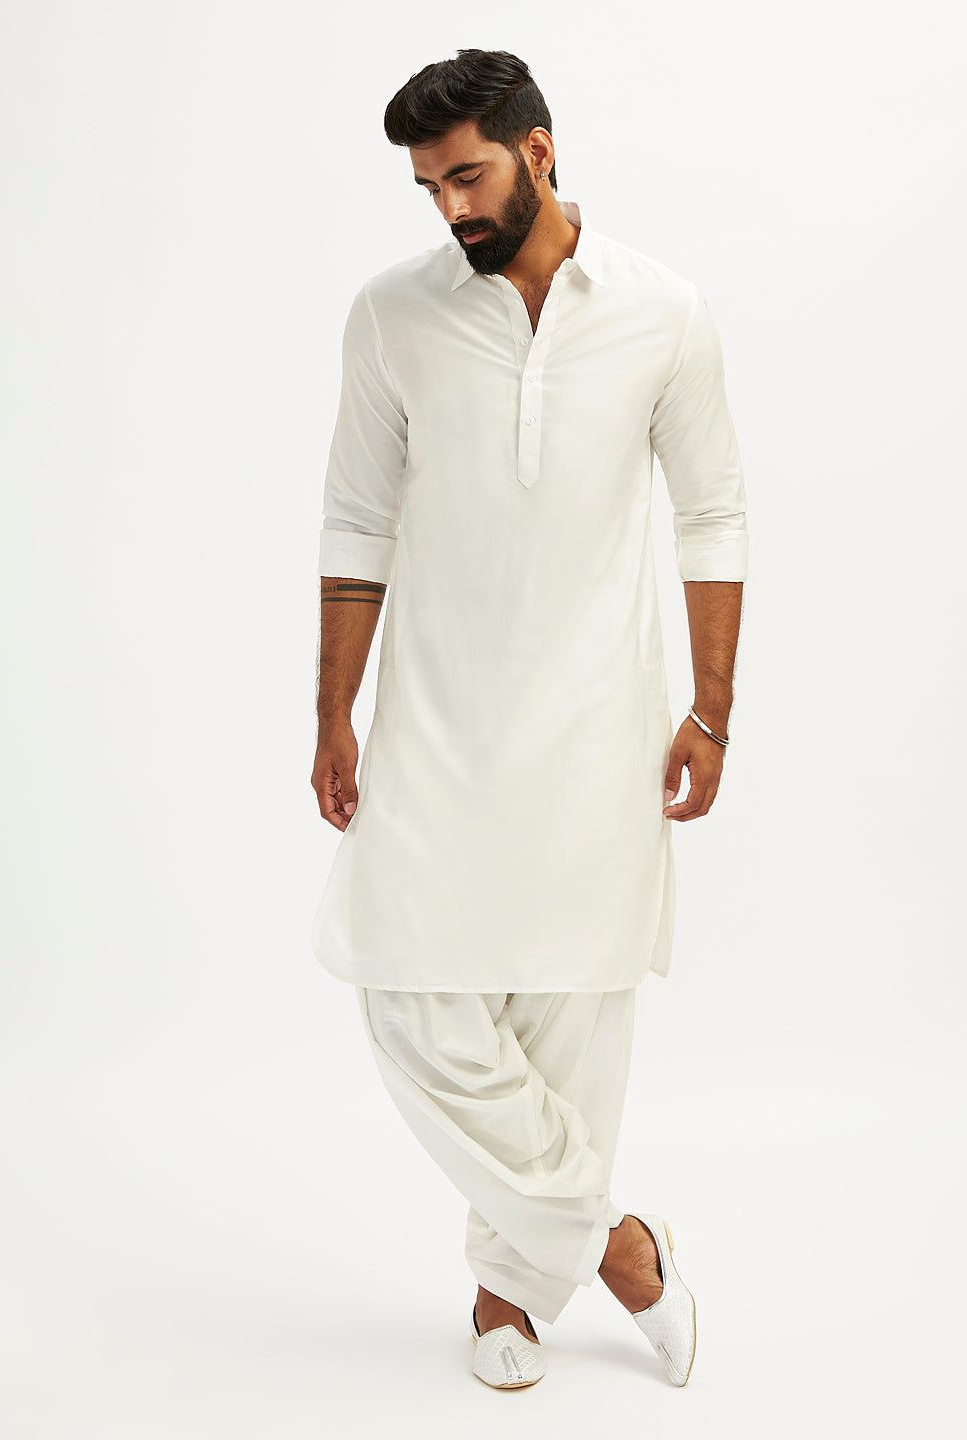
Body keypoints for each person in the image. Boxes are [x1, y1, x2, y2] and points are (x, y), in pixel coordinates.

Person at [309, 48, 747, 1390]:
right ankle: (620, 1250)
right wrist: (332, 710)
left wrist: (712, 710)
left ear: (539, 152)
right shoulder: (392, 315)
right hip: (436, 720)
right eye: (429, 187)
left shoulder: (664, 312)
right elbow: (356, 523)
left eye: (468, 175)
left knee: (570, 1015)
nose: (450, 206)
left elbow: (713, 513)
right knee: (408, 990)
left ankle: (508, 1292)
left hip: (601, 725)